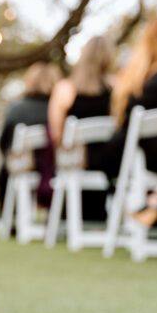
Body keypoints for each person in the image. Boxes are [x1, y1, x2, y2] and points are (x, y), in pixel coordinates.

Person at [46, 36, 113, 220]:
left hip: (75, 162)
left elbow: (56, 135)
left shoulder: (65, 89)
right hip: (111, 164)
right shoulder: (117, 90)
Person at [104, 18, 157, 225]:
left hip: (134, 155)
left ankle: (153, 200)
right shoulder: (152, 82)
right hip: (143, 155)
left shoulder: (134, 78)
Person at [0, 62, 61, 205]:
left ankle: (10, 218)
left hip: (23, 167)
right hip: (54, 167)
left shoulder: (16, 108)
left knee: (3, 172)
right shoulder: (59, 109)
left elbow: (4, 143)